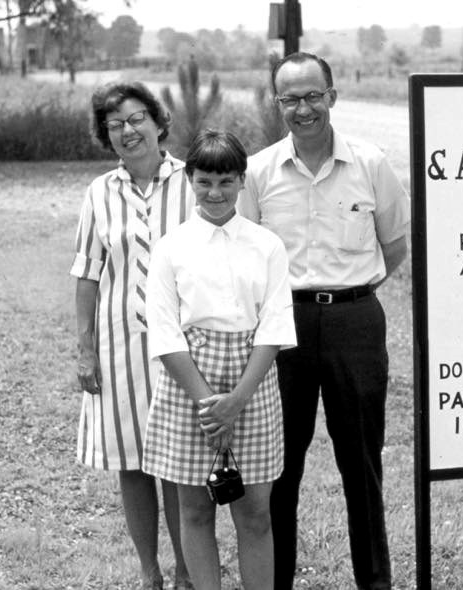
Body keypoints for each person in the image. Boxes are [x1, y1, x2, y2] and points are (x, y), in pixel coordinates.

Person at [238, 52, 410, 590]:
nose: (303, 108)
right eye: (290, 98)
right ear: (277, 103)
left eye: (313, 95)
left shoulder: (370, 162)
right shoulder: (259, 171)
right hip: (282, 331)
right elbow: (245, 258)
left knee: (361, 464)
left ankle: (375, 582)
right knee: (279, 470)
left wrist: (352, 293)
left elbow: (395, 244)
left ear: (332, 96)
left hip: (355, 323)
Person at [142, 129, 296, 590]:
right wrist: (210, 404)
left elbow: (274, 327)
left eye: (226, 181)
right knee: (194, 510)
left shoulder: (266, 245)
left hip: (252, 381)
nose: (215, 192)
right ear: (190, 179)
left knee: (254, 514)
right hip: (190, 384)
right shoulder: (171, 246)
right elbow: (165, 331)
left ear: (242, 182)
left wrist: (237, 401)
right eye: (205, 180)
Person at [71, 81, 193, 590]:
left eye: (137, 117)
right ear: (107, 135)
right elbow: (86, 273)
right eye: (115, 123)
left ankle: (189, 570)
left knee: (181, 467)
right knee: (132, 462)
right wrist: (85, 349)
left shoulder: (192, 181)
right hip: (120, 344)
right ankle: (150, 573)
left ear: (159, 121)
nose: (128, 130)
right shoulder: (100, 192)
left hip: (185, 347)